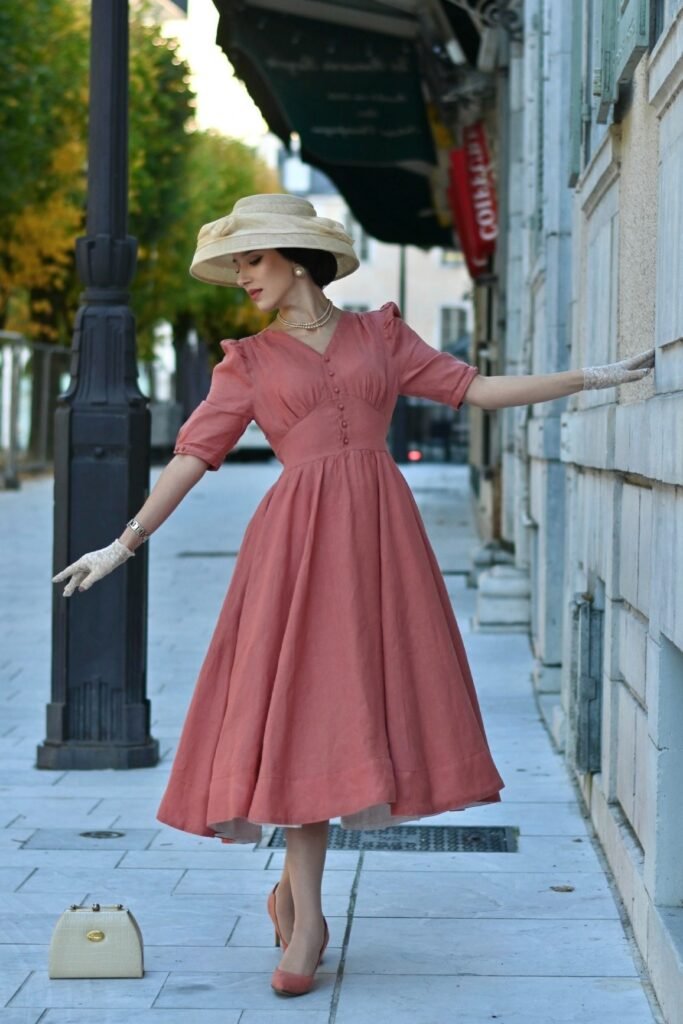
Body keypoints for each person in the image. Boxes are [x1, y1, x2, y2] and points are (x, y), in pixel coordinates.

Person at [53, 193, 655, 998]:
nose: (242, 278)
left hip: (378, 545)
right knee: (305, 715)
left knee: (351, 713)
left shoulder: (382, 335)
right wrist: (121, 545)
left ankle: (298, 910)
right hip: (294, 553)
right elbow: (193, 456)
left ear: (295, 258)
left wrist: (593, 378)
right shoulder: (249, 363)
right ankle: (305, 921)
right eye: (236, 264)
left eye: (252, 260)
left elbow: (473, 390)